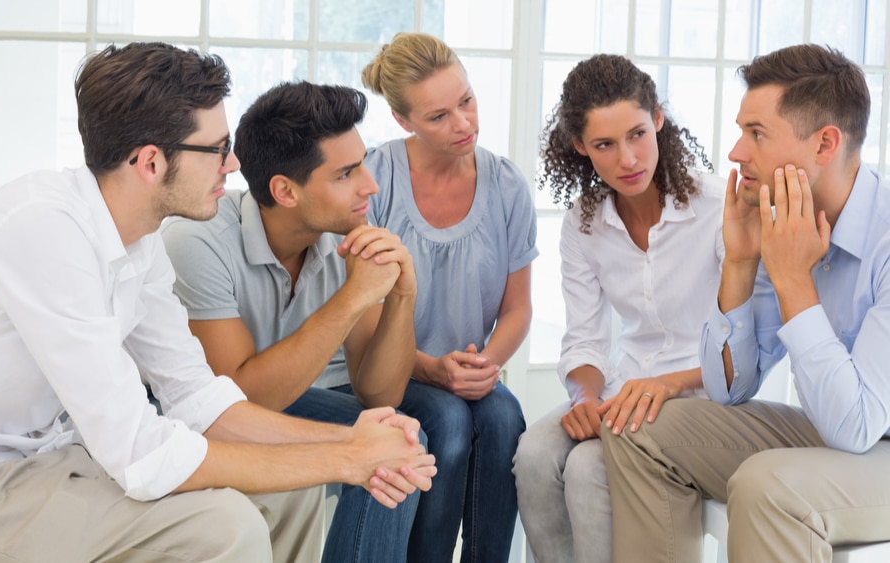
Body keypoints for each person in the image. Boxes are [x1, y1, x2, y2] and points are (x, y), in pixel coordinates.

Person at [0, 42, 436, 563]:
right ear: (151, 162)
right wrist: (347, 458)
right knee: (227, 527)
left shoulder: (139, 237)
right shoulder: (44, 230)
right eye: (218, 150)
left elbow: (198, 401)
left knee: (291, 491)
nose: (232, 165)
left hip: (46, 464)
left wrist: (357, 440)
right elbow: (139, 452)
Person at [602, 43, 890, 562]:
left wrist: (792, 280)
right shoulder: (781, 221)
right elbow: (728, 388)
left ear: (825, 143)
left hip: (873, 438)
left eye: (756, 134)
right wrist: (739, 264)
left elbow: (857, 426)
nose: (736, 152)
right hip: (834, 427)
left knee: (767, 483)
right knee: (636, 428)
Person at [161, 80, 422, 563]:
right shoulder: (197, 241)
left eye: (362, 163)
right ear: (285, 191)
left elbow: (381, 395)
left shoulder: (341, 231)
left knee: (397, 437)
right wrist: (351, 298)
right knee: (385, 442)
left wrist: (403, 295)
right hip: (188, 415)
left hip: (279, 398)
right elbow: (234, 403)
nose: (372, 185)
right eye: (347, 173)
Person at [510, 54, 723, 563]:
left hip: (701, 392)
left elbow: (751, 341)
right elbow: (584, 337)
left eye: (637, 134)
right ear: (581, 147)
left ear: (658, 119)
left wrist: (665, 386)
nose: (628, 159)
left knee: (587, 467)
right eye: (605, 144)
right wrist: (584, 394)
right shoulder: (583, 222)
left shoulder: (716, 208)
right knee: (533, 454)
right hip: (621, 390)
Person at [361, 31, 537, 562]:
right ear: (403, 120)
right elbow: (360, 323)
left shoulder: (507, 186)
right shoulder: (376, 178)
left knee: (507, 418)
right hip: (385, 371)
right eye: (438, 116)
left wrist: (485, 366)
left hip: (465, 371)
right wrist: (433, 370)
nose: (463, 123)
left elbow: (517, 308)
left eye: (466, 101)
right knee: (448, 422)